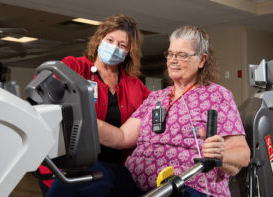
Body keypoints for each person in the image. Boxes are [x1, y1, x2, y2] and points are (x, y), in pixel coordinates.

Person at [47, 26, 251, 197]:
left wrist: (221, 153)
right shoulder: (156, 97)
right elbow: (121, 137)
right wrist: (81, 118)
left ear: (202, 60)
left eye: (182, 55)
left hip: (188, 186)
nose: (173, 60)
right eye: (170, 54)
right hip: (135, 183)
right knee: (78, 177)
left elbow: (242, 155)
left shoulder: (216, 95)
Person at [39, 14, 150, 195]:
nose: (114, 47)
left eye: (122, 45)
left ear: (129, 51)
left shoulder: (134, 84)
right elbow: (43, 95)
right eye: (110, 40)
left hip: (113, 173)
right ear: (100, 40)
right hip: (69, 171)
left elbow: (158, 108)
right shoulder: (74, 67)